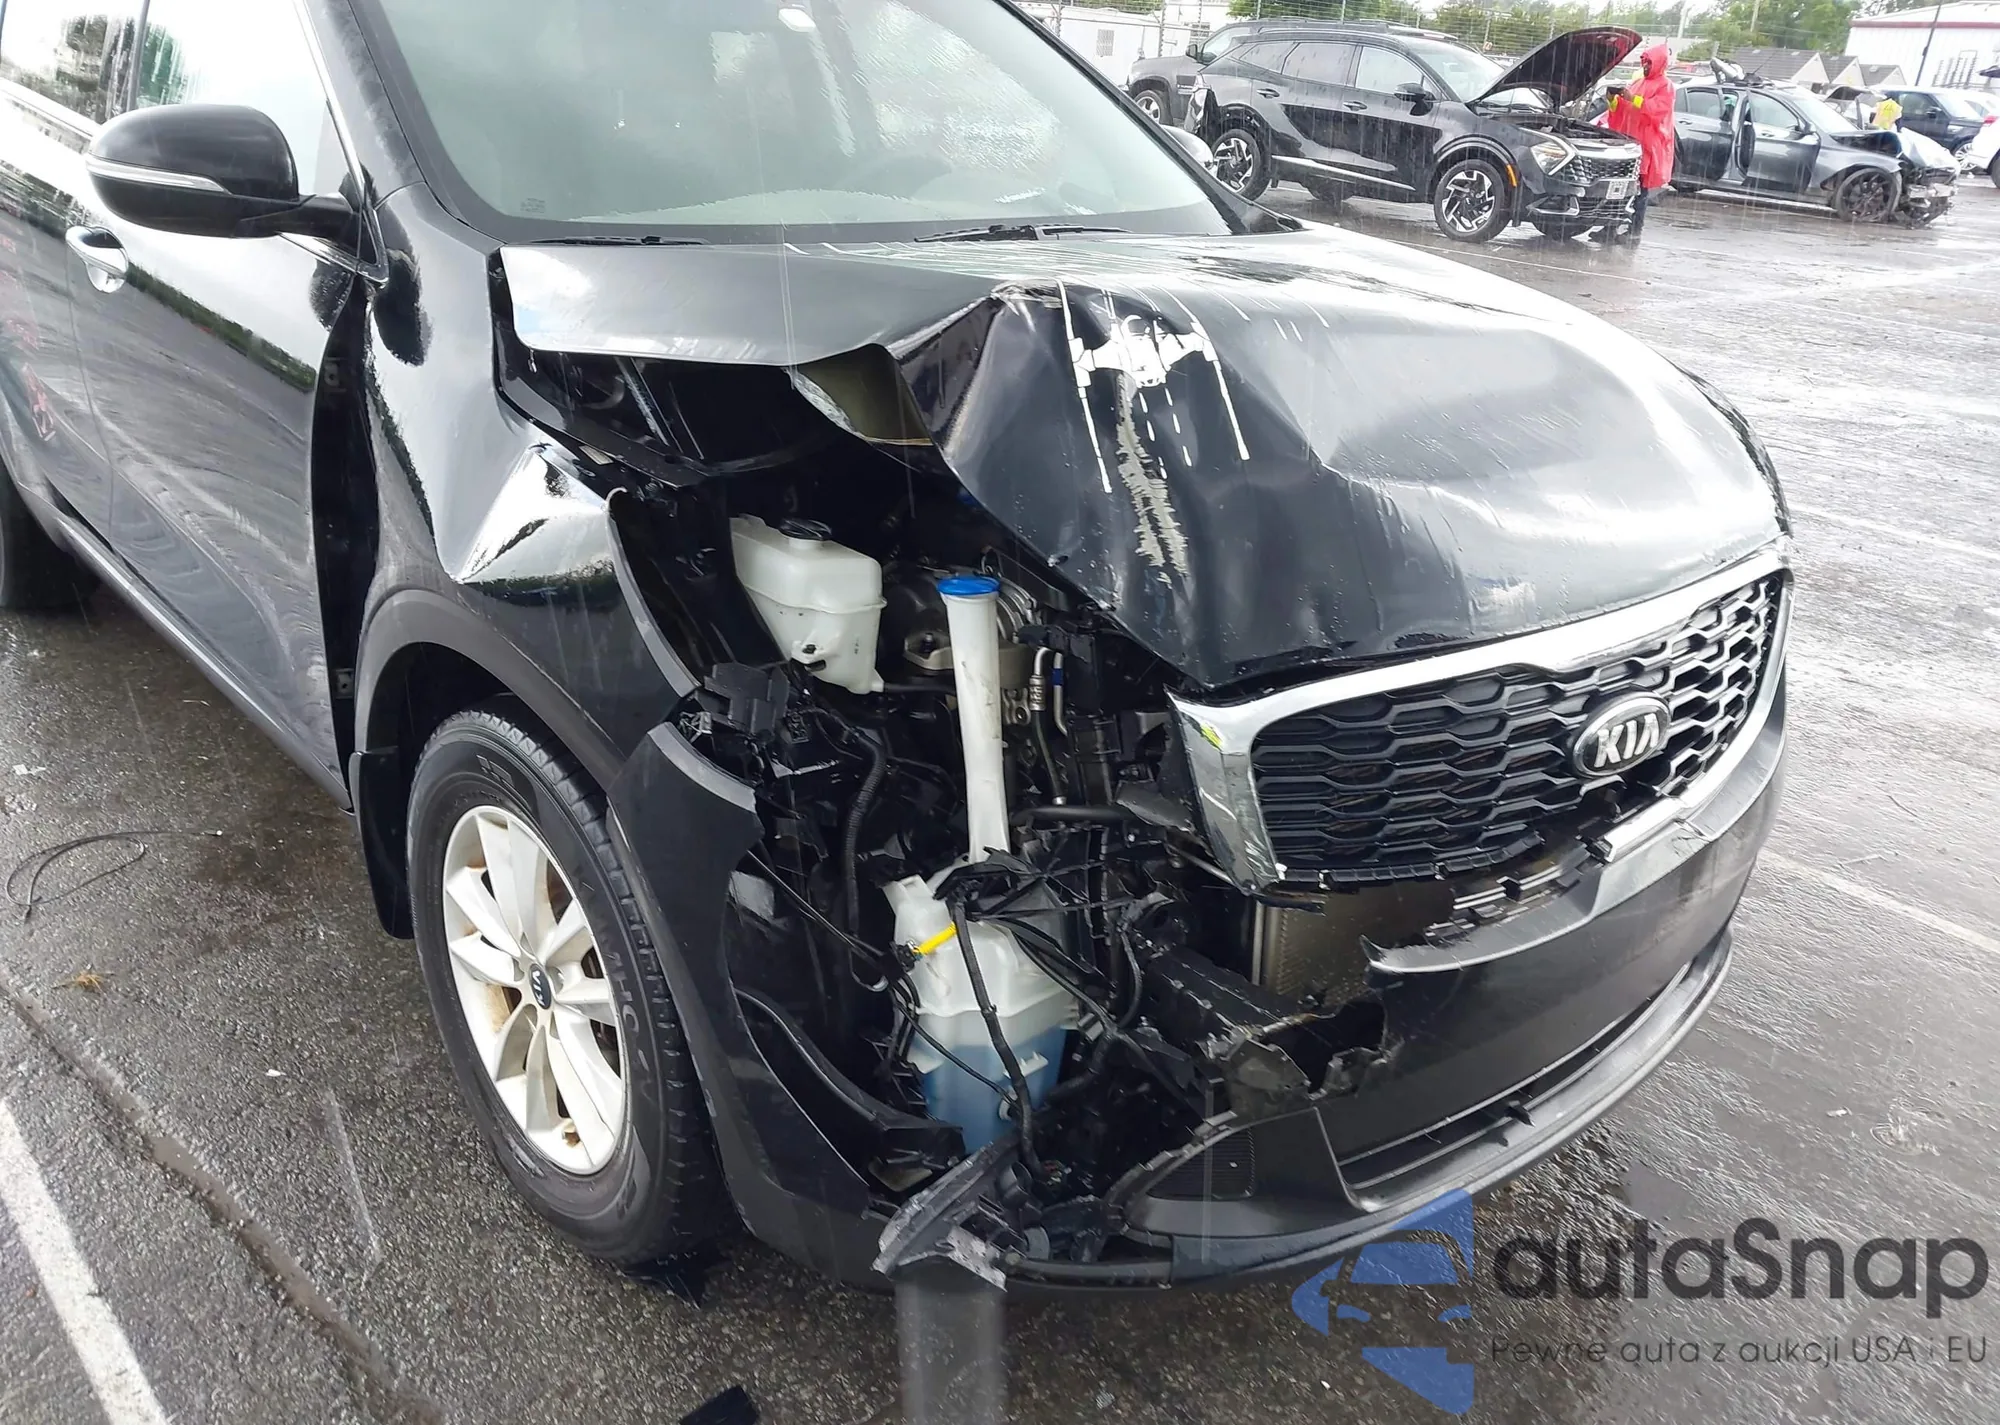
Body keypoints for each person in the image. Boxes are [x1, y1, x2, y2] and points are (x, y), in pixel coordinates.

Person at [1601, 44, 1676, 244]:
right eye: (1644, 62)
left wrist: (1633, 99)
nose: (1645, 66)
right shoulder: (1638, 83)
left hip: (1646, 147)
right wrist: (1612, 100)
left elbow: (1657, 110)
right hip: (1630, 145)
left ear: (1659, 63)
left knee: (1639, 191)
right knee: (1619, 188)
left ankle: (1634, 231)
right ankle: (1610, 227)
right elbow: (1622, 110)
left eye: (1649, 63)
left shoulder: (1665, 86)